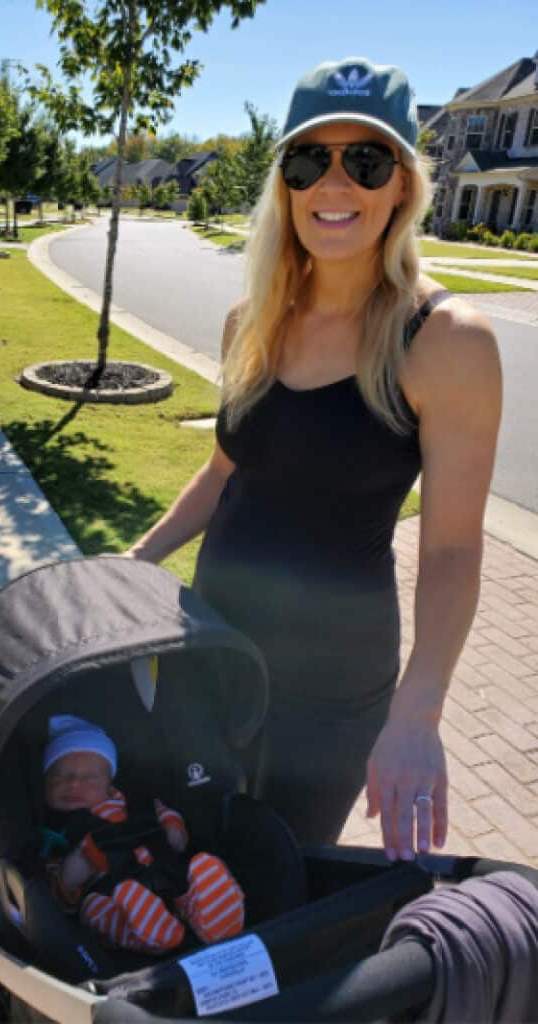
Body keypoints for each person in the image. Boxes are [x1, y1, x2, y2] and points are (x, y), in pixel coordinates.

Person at [126, 57, 502, 862]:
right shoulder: (250, 320)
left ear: (402, 184)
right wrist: (134, 562)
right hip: (213, 651)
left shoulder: (445, 342)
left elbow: (452, 549)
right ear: (285, 184)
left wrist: (419, 715)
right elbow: (227, 471)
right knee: (184, 853)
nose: (335, 186)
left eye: (364, 160)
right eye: (309, 160)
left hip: (331, 694)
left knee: (274, 878)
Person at [40, 714, 245, 954]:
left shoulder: (136, 803)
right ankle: (151, 936)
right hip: (110, 891)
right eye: (60, 776)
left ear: (110, 784)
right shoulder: (53, 833)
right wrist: (69, 877)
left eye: (89, 778)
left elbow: (163, 813)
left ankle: (218, 922)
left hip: (165, 867)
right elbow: (54, 891)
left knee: (201, 866)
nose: (74, 784)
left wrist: (173, 828)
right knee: (95, 910)